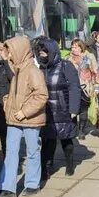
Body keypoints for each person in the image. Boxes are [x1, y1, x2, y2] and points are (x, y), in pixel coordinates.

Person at [0, 36, 49, 197]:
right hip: (14, 118)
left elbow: (41, 96)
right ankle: (7, 187)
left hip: (29, 119)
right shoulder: (18, 69)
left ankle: (32, 184)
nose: (9, 55)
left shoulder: (33, 71)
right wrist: (7, 101)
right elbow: (17, 93)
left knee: (32, 151)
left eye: (11, 51)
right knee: (11, 153)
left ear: (20, 51)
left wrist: (24, 112)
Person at [33, 37, 81, 179]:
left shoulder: (66, 65)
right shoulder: (40, 68)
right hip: (46, 110)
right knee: (48, 140)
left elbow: (74, 88)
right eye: (39, 51)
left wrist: (73, 109)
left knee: (66, 139)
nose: (41, 54)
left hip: (63, 109)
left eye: (44, 51)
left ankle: (70, 165)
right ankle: (45, 169)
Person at [68, 39, 99, 140]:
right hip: (71, 89)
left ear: (81, 47)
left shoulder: (89, 57)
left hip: (85, 88)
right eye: (72, 47)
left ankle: (81, 130)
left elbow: (95, 72)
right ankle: (73, 130)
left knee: (83, 110)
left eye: (76, 47)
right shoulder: (68, 58)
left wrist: (97, 87)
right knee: (72, 110)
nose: (73, 49)